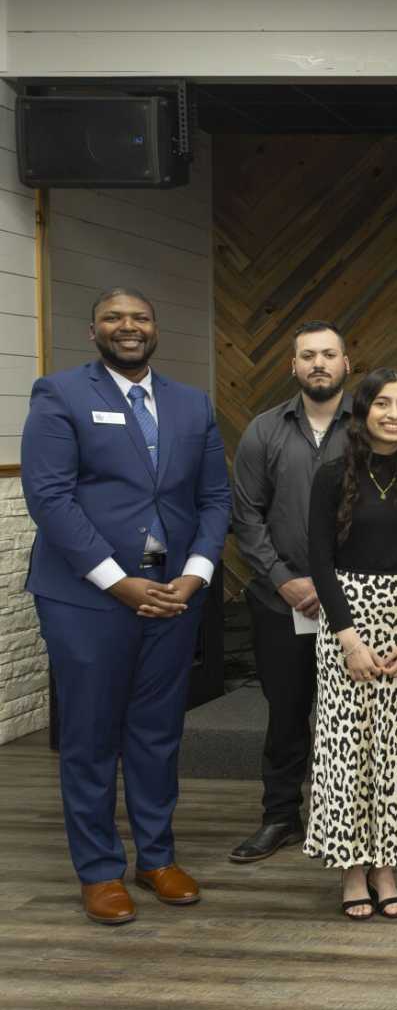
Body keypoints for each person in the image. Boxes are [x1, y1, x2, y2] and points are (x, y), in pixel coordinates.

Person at [22, 287, 232, 925]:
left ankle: (157, 858)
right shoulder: (60, 396)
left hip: (173, 595)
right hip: (89, 599)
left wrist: (194, 577)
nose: (129, 327)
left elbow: (215, 499)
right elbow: (51, 500)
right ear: (93, 333)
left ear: (156, 329)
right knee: (89, 735)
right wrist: (117, 583)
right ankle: (99, 870)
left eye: (140, 317)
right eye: (114, 318)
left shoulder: (192, 404)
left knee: (157, 733)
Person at [305, 369, 397, 920]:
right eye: (383, 404)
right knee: (346, 752)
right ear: (362, 412)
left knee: (393, 751)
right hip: (347, 621)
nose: (394, 413)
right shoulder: (332, 476)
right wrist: (348, 638)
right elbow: (319, 560)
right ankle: (350, 870)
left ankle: (385, 865)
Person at [227, 320, 354, 864]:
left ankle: (346, 817)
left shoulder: (370, 425)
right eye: (308, 356)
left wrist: (337, 585)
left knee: (349, 713)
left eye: (329, 354)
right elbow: (246, 514)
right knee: (287, 710)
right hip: (283, 599)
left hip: (355, 598)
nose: (319, 363)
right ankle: (281, 815)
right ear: (293, 367)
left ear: (348, 363)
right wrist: (283, 577)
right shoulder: (264, 429)